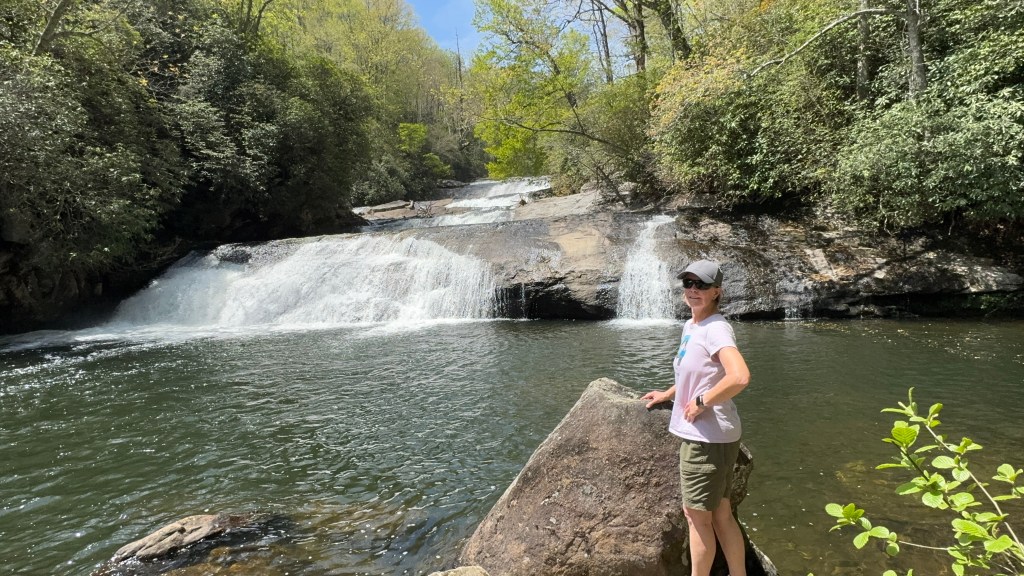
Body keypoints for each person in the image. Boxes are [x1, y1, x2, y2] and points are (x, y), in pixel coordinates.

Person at [641, 259, 751, 576]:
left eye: (701, 285)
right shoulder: (692, 326)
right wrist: (669, 393)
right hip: (718, 436)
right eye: (688, 283)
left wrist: (702, 401)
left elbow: (740, 376)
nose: (693, 289)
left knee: (696, 518)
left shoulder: (715, 329)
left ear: (717, 291)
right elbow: (698, 374)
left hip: (706, 439)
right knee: (720, 514)